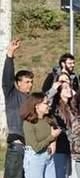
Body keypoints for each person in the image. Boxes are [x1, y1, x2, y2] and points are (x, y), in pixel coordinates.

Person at [2, 39, 34, 178]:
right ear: (18, 83)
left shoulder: (32, 99)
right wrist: (10, 54)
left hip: (31, 150)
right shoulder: (12, 95)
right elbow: (7, 79)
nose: (30, 85)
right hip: (16, 149)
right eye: (27, 82)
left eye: (31, 82)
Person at [21, 92, 61, 178]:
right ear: (37, 106)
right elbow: (36, 147)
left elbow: (55, 132)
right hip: (35, 158)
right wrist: (52, 137)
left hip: (48, 156)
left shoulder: (48, 119)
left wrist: (54, 142)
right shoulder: (28, 123)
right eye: (46, 103)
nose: (48, 105)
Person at [47, 74, 75, 178]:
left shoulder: (73, 107)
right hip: (59, 145)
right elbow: (46, 100)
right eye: (65, 88)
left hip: (72, 147)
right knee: (59, 174)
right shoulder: (55, 107)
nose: (69, 90)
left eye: (70, 87)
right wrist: (54, 89)